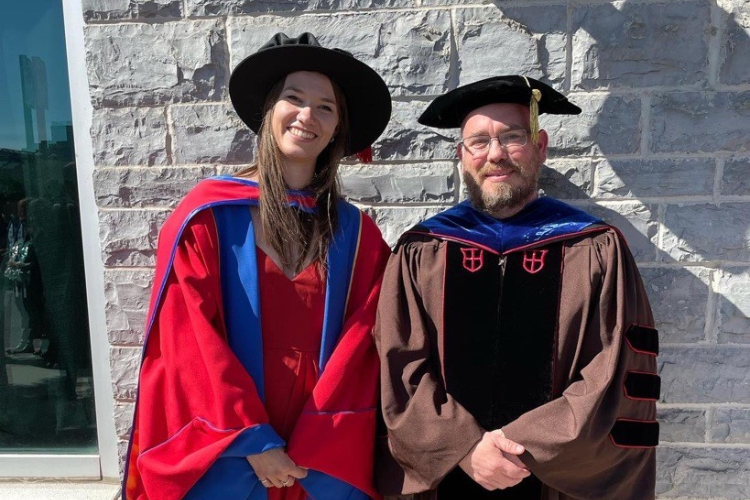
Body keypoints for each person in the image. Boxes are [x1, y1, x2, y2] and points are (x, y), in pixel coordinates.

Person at [122, 33, 392, 500]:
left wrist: (317, 440)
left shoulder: (356, 233)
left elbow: (362, 346)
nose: (308, 115)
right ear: (268, 111)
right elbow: (188, 341)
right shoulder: (206, 216)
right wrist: (252, 439)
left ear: (338, 129)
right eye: (295, 98)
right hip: (226, 451)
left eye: (326, 107)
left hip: (319, 459)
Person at [374, 75, 659, 500]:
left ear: (540, 147)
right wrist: (466, 449)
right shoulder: (423, 250)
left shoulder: (595, 246)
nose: (495, 154)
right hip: (449, 476)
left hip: (554, 480)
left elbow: (615, 371)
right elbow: (399, 367)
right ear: (462, 155)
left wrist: (523, 448)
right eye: (479, 142)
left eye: (512, 138)